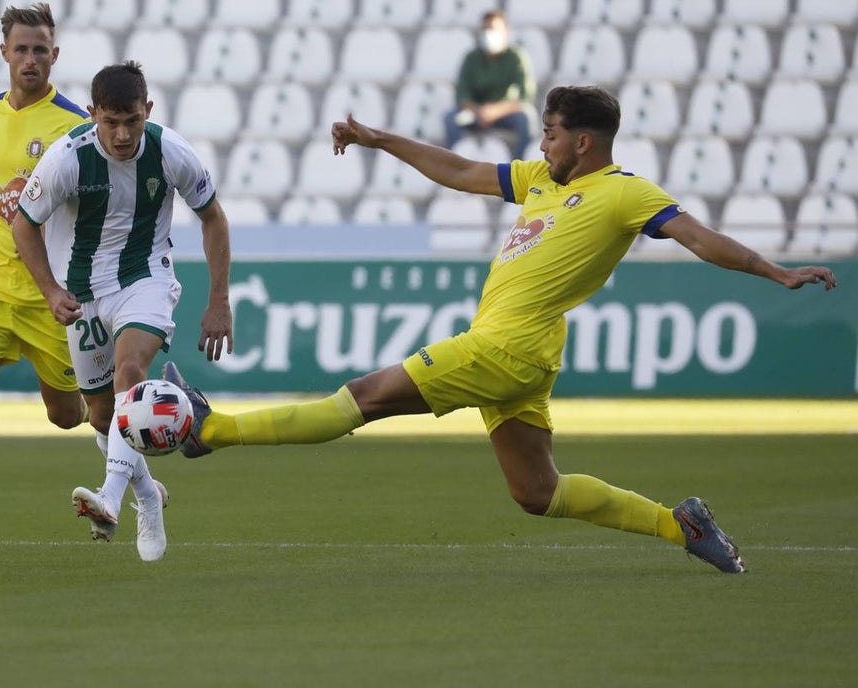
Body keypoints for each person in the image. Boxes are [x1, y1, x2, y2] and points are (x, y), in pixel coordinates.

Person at [161, 85, 839, 575]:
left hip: (504, 348)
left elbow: (698, 238)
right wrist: (379, 139)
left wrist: (775, 273)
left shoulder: (626, 192)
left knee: (363, 397)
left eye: (549, 131)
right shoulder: (544, 176)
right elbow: (459, 170)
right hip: (520, 352)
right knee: (537, 493)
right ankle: (680, 522)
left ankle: (209, 430)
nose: (540, 143)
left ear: (583, 140)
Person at [0, 4, 171, 560]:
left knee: (73, 415)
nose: (30, 59)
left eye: (41, 49)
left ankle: (140, 481)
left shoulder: (76, 124)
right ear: (4, 54)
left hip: (55, 294)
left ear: (55, 56)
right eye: (21, 49)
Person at [13, 61, 233, 561]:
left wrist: (219, 300)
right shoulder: (66, 158)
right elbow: (24, 225)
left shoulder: (169, 151)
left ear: (147, 111)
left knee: (130, 370)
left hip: (145, 278)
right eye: (109, 121)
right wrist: (50, 291)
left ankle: (111, 500)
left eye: (132, 120)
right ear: (92, 115)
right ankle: (147, 495)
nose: (121, 134)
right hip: (82, 293)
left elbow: (213, 219)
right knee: (102, 416)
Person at [444, 10, 536, 160]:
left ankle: (521, 166)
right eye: (485, 29)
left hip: (505, 114)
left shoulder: (516, 57)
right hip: (474, 114)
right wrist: (479, 111)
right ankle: (454, 164)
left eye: (493, 29)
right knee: (451, 118)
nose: (488, 33)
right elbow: (461, 94)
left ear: (505, 32)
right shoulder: (471, 58)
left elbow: (525, 96)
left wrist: (495, 111)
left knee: (525, 118)